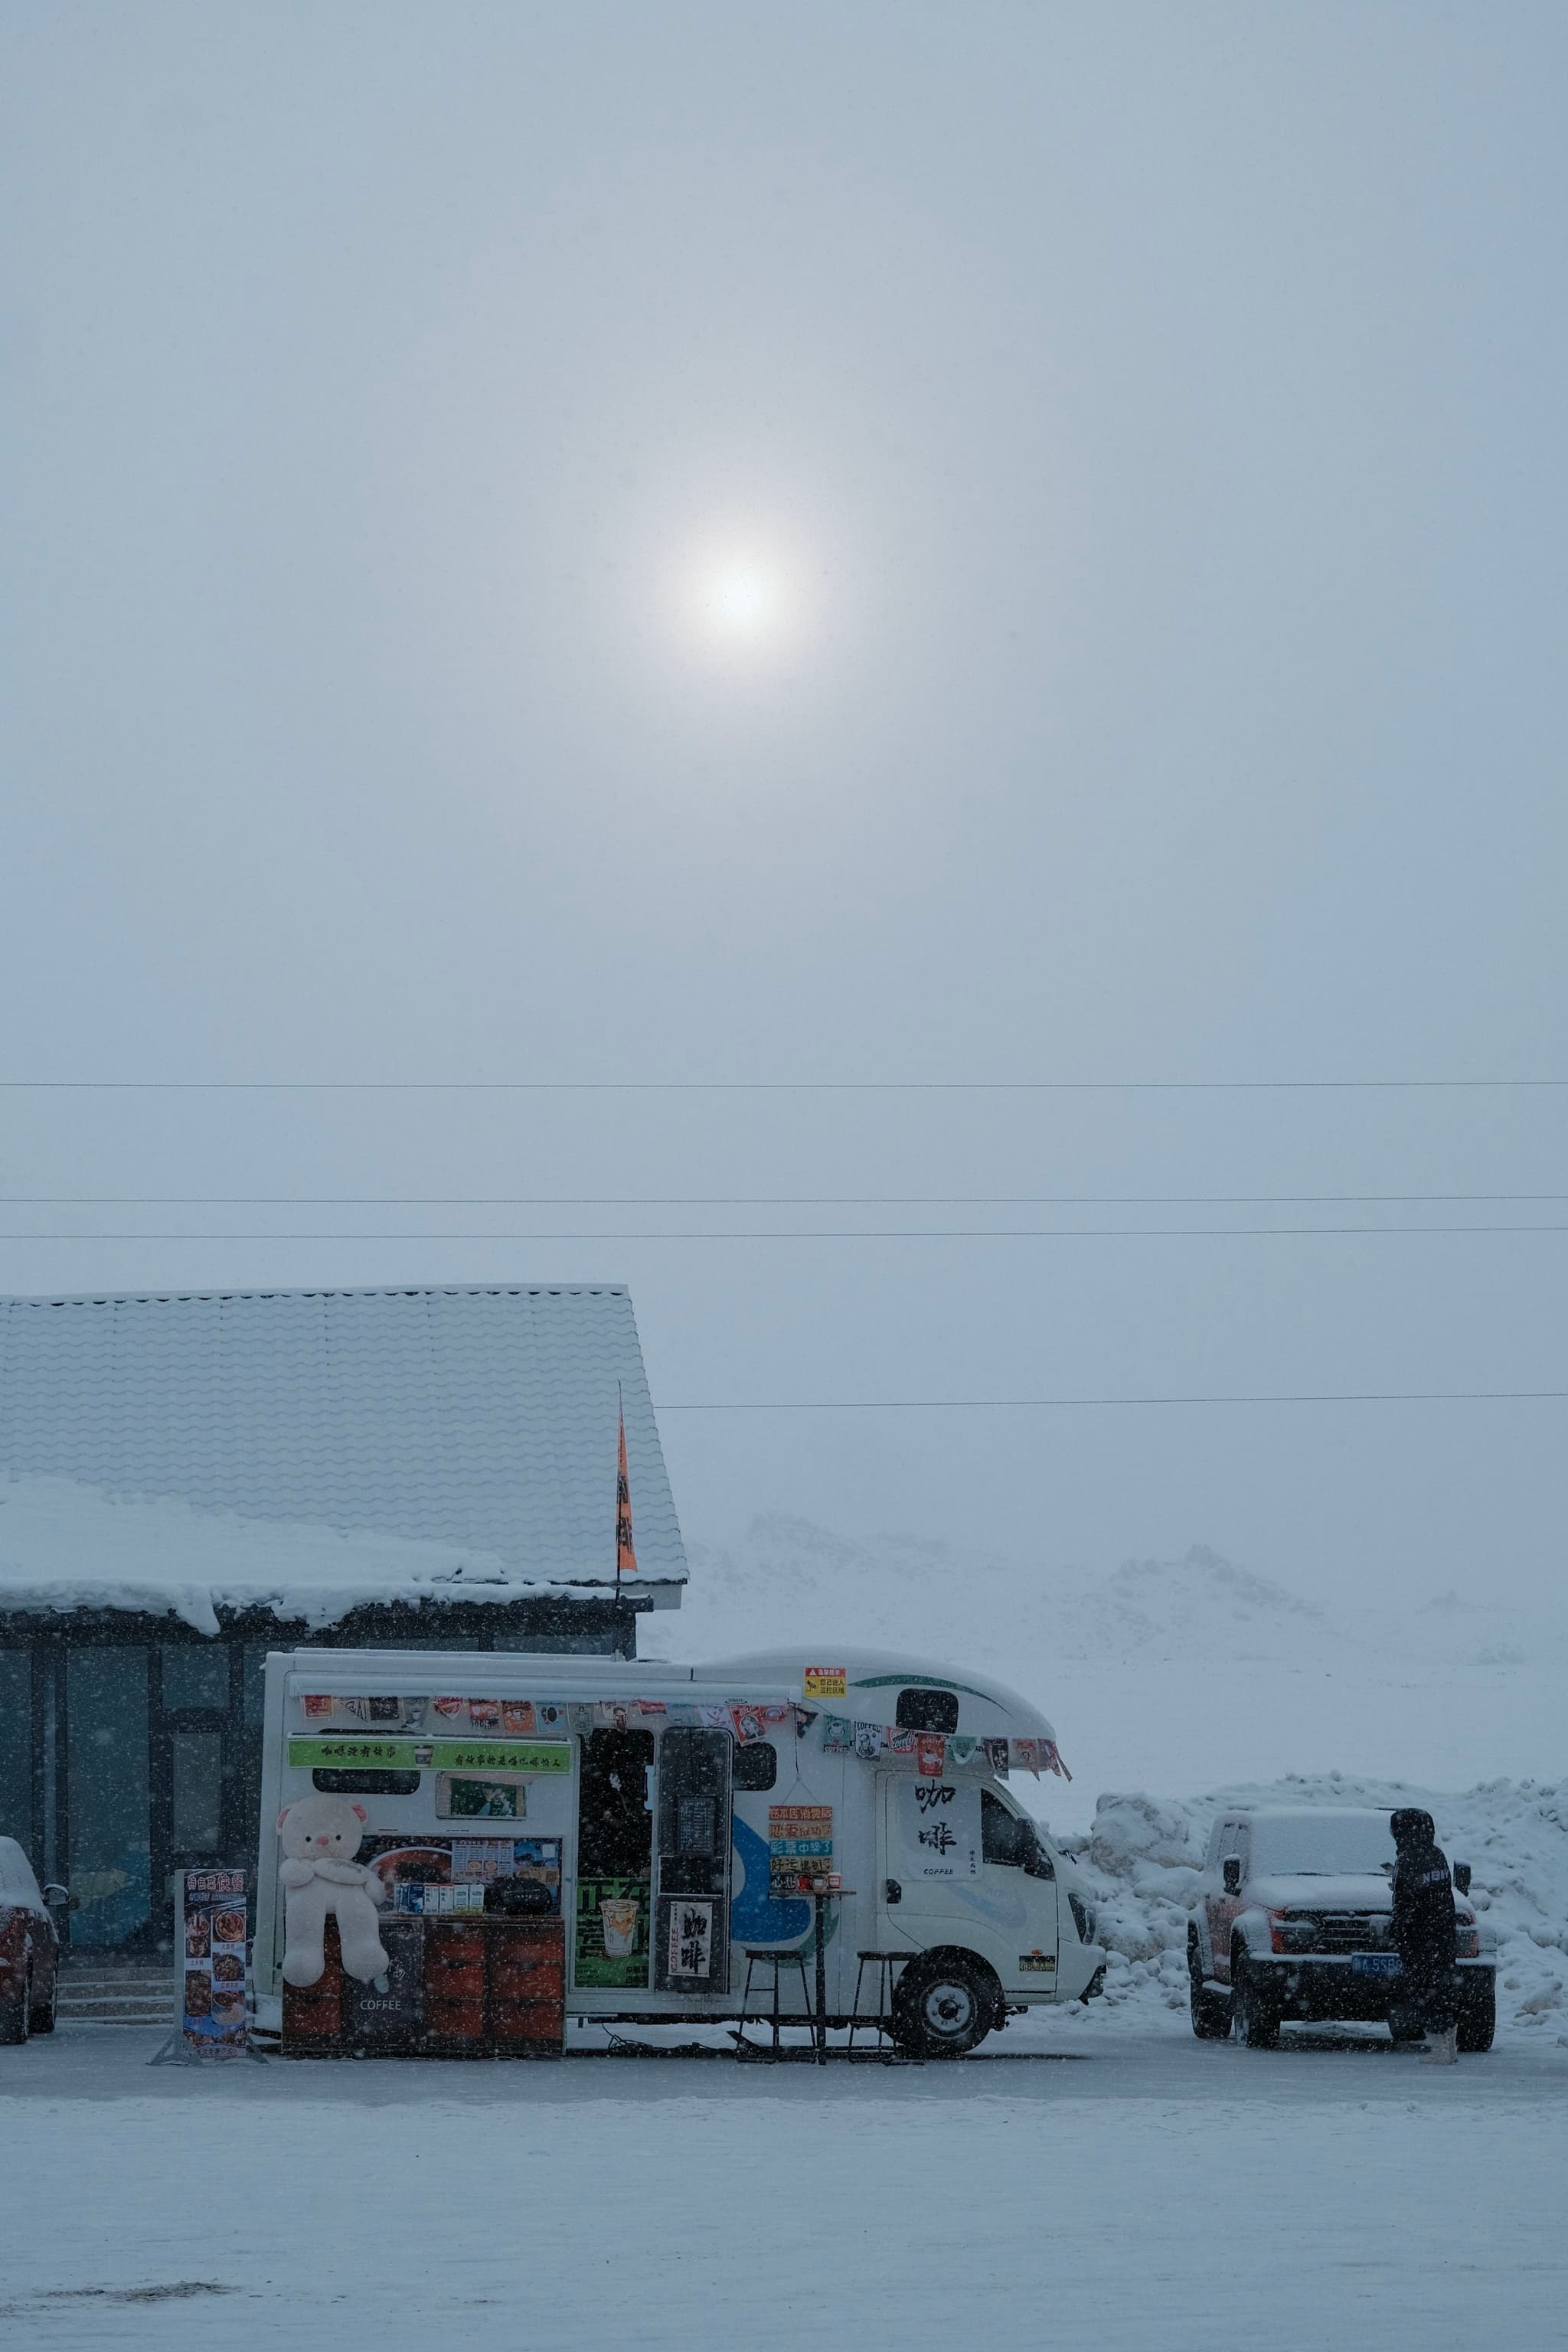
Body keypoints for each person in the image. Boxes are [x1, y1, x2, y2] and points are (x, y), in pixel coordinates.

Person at [1390, 1808, 1459, 2063]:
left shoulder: (1406, 1860)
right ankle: (1450, 2048)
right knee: (1443, 1989)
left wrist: (1400, 1932)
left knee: (1425, 1991)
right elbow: (1440, 1894)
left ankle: (1439, 2049)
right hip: (1444, 1935)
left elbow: (1404, 1903)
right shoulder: (1437, 1855)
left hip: (1419, 1937)